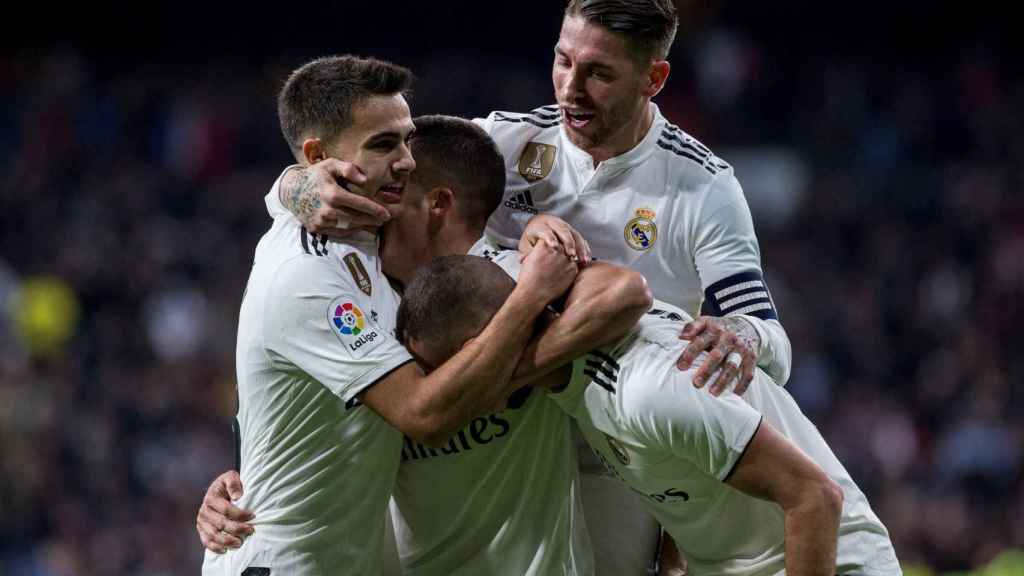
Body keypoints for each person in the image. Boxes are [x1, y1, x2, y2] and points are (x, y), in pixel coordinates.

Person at [202, 56, 614, 576]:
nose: (406, 160)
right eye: (383, 145)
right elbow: (424, 414)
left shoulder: (370, 237)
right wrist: (529, 299)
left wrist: (535, 227)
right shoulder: (308, 275)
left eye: (405, 139)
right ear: (319, 156)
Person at [395, 255, 902, 576]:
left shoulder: (649, 386)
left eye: (446, 372)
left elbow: (815, 497)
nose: (445, 393)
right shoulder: (569, 377)